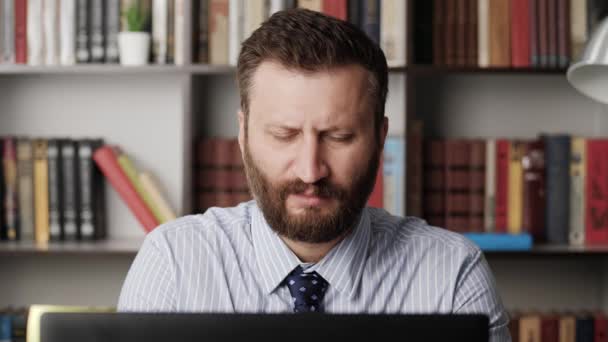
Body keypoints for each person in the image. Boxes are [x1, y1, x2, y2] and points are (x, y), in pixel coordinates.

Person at [118, 8, 510, 341]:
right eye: (284, 135)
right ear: (243, 135)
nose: (310, 170)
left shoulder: (452, 274)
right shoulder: (172, 264)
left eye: (338, 137)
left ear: (380, 138)